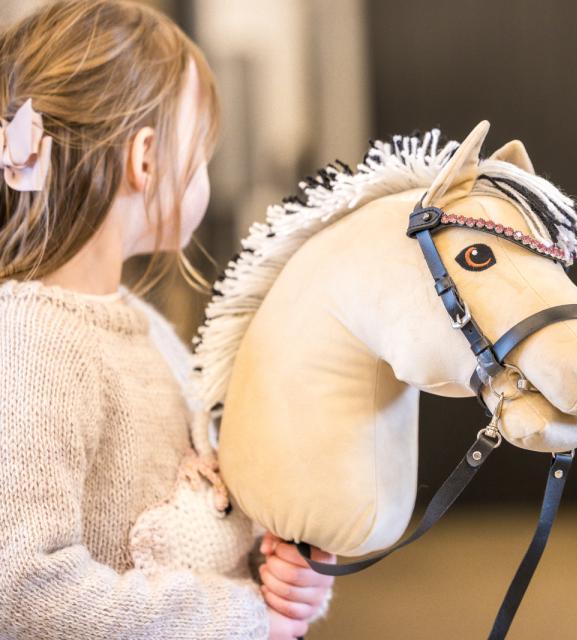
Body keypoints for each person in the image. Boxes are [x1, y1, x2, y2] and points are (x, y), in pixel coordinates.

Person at [0, 2, 332, 638]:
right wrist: (244, 618)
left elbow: (199, 509)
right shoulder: (31, 345)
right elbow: (21, 592)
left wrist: (281, 571)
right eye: (202, 153)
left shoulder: (144, 327)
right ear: (145, 160)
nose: (204, 172)